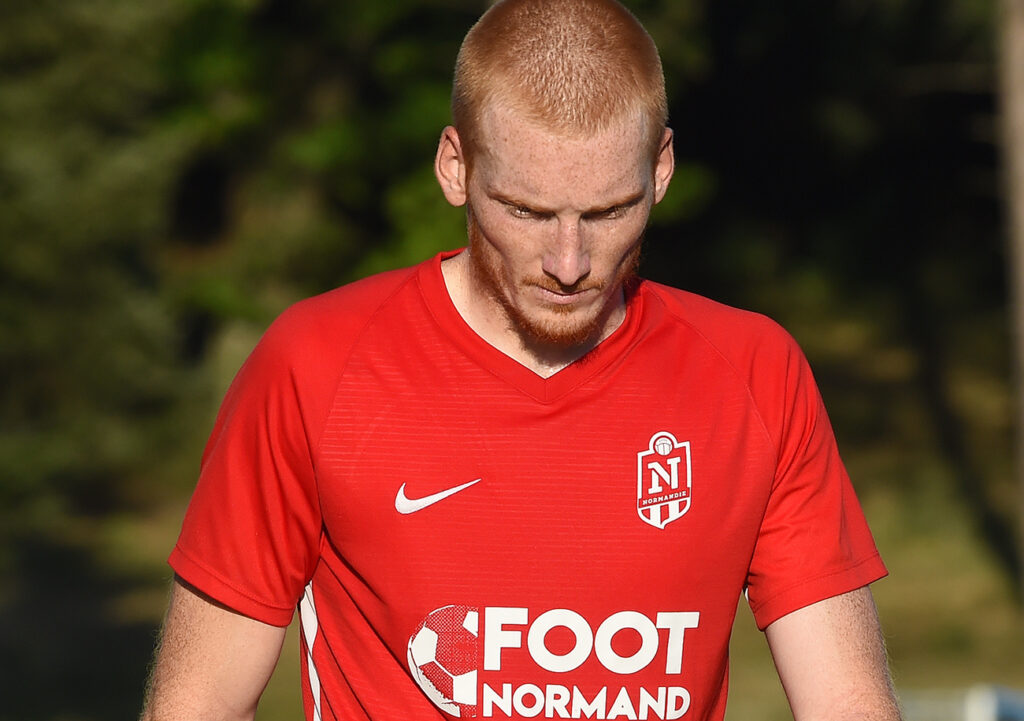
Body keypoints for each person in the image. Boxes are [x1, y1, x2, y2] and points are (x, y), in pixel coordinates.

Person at [140, 1, 902, 719]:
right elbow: (199, 698)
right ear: (456, 167)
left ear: (661, 169)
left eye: (608, 211)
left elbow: (846, 701)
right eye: (527, 211)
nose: (569, 261)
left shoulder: (755, 373)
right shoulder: (316, 364)